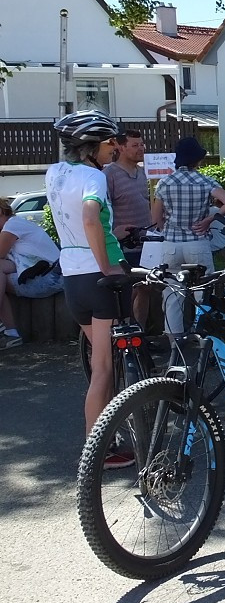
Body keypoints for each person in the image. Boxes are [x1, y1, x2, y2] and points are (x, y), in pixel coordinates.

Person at [45, 111, 131, 463]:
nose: (116, 148)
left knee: (102, 361)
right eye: (112, 142)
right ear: (93, 146)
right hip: (100, 277)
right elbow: (90, 218)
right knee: (104, 369)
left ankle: (106, 437)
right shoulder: (92, 176)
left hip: (71, 277)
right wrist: (107, 266)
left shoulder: (54, 171)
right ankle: (98, 451)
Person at [151, 137, 225, 336]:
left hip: (171, 244)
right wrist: (208, 220)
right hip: (198, 243)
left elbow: (156, 218)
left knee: (172, 294)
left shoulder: (164, 182)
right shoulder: (204, 181)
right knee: (203, 293)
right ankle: (204, 340)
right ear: (197, 160)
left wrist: (167, 228)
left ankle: (175, 342)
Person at [0, 197, 64, 349]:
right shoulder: (17, 225)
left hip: (49, 278)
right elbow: (13, 265)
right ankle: (11, 335)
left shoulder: (13, 225)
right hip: (47, 275)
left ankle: (10, 331)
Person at [104, 130, 151, 327]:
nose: (140, 148)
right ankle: (122, 335)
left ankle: (139, 335)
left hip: (146, 242)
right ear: (121, 148)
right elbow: (103, 210)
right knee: (127, 292)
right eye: (135, 145)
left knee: (146, 289)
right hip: (123, 245)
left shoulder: (142, 172)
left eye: (142, 144)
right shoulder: (109, 174)